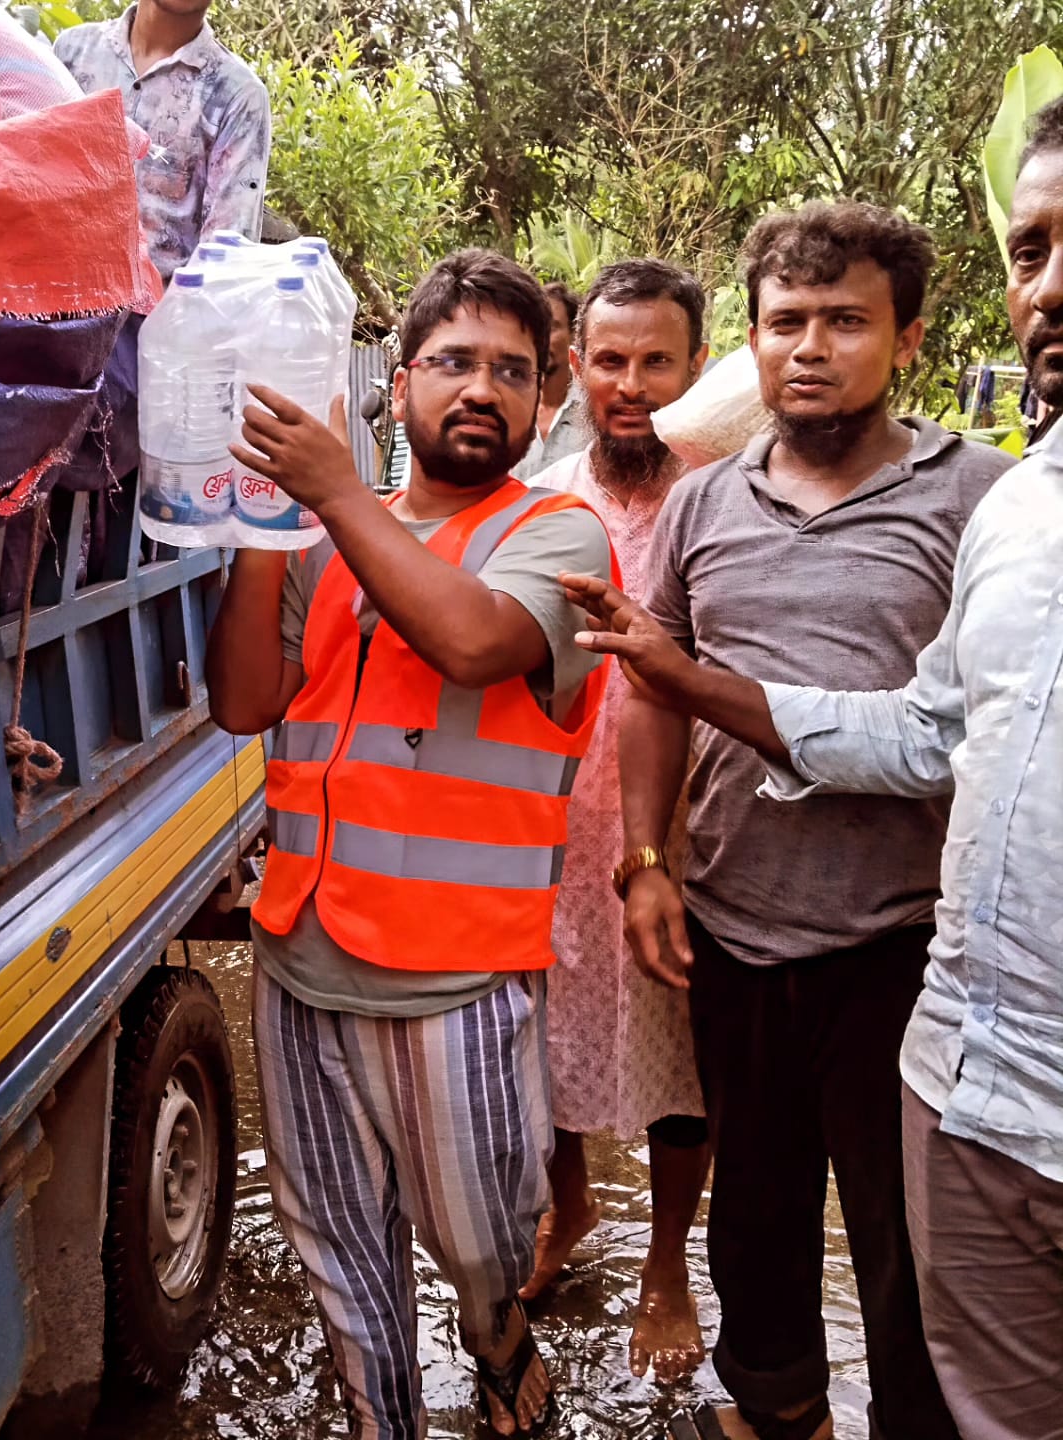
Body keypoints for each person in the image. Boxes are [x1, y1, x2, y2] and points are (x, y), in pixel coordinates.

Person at [566, 107, 1063, 1440]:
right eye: (785, 320)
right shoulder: (702, 502)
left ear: (908, 340)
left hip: (910, 944)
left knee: (910, 1251)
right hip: (738, 925)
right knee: (758, 1218)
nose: (809, 346)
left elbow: (956, 729)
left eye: (845, 321)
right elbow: (651, 683)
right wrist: (648, 862)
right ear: (755, 339)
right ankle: (775, 1407)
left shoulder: (986, 499)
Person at [206, 250, 618, 1440]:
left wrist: (332, 496)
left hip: (456, 985)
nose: (482, 388)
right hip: (301, 963)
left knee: (484, 1245)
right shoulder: (330, 533)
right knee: (339, 1255)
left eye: (512, 370)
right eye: (453, 363)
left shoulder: (561, 536)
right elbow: (243, 702)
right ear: (398, 385)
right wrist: (257, 528)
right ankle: (380, 1420)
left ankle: (496, 1334)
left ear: (545, 402)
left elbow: (476, 645)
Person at [518, 261, 713, 1387]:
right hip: (549, 825)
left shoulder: (723, 494)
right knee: (545, 1036)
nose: (631, 384)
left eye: (657, 362)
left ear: (693, 369)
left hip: (683, 832)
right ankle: (569, 1207)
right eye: (609, 360)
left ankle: (670, 1265)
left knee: (678, 1061)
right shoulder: (542, 498)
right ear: (575, 368)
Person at [54, 0, 271, 280]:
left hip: (158, 317)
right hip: (50, 299)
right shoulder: (73, 52)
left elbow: (226, 261)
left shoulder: (238, 96)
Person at [516, 282, 586, 479]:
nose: (540, 338)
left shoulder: (593, 411)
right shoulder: (513, 410)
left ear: (574, 336)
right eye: (534, 329)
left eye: (551, 327)